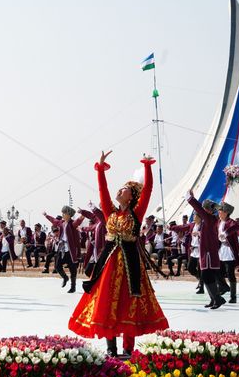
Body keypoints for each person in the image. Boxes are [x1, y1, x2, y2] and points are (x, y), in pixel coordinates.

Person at [69, 151, 168, 358]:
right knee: (107, 302)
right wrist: (101, 169)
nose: (119, 190)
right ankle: (111, 349)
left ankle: (128, 349)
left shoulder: (136, 213)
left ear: (131, 196)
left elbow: (148, 190)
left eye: (124, 189)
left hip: (130, 264)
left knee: (129, 302)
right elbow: (102, 190)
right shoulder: (110, 212)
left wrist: (148, 166)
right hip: (110, 263)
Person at [186, 191, 225, 309]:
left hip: (208, 252)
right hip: (206, 252)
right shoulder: (208, 220)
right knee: (207, 276)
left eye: (204, 208)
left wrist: (191, 199)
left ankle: (218, 299)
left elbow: (199, 209)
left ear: (207, 209)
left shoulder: (209, 218)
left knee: (206, 276)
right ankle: (214, 299)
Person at [44, 206, 85, 293]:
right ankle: (65, 277)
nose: (62, 215)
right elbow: (54, 221)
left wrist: (82, 216)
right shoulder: (62, 223)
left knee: (72, 269)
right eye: (62, 213)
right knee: (58, 266)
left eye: (64, 213)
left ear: (69, 215)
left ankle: (73, 287)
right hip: (62, 249)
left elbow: (78, 221)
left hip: (70, 251)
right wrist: (46, 215)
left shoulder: (72, 224)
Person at [215, 202, 239, 303]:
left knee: (230, 274)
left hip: (229, 251)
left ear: (226, 212)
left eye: (220, 211)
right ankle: (224, 287)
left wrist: (226, 233)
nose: (219, 212)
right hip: (221, 250)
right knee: (217, 271)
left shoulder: (231, 222)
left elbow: (237, 226)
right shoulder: (218, 222)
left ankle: (233, 296)